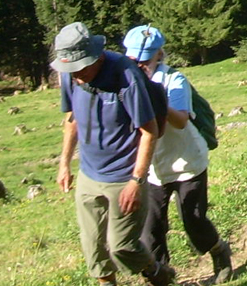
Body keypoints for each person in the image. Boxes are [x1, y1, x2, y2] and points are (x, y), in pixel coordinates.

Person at [53, 21, 176, 286]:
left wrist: (136, 181)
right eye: (70, 69)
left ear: (96, 57)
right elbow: (71, 119)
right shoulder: (70, 73)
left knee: (122, 246)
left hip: (124, 177)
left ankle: (158, 274)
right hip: (89, 173)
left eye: (80, 67)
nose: (76, 75)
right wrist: (64, 163)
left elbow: (149, 131)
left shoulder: (125, 75)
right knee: (93, 248)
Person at [123, 25, 233, 284]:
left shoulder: (173, 80)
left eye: (145, 59)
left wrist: (157, 97)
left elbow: (181, 120)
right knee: (151, 228)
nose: (140, 64)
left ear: (158, 55)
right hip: (151, 168)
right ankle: (162, 276)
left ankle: (219, 252)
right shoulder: (125, 83)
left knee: (193, 220)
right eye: (134, 59)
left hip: (187, 163)